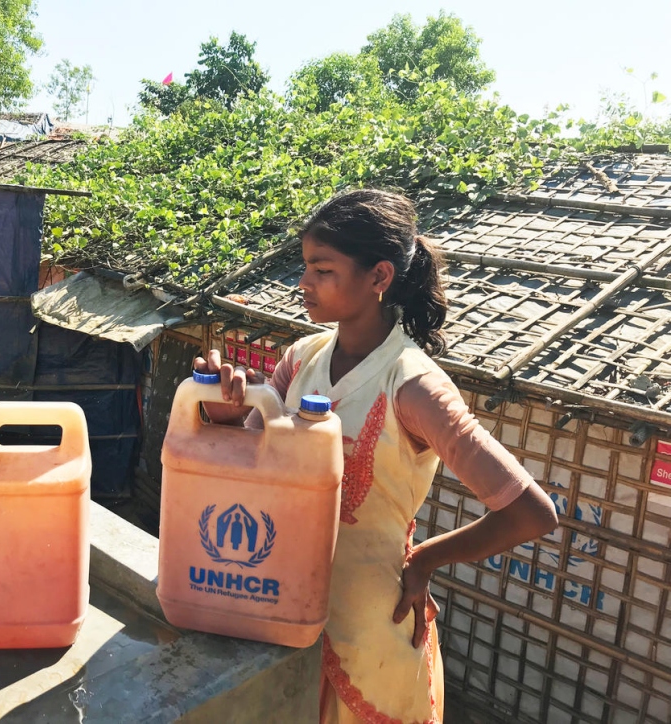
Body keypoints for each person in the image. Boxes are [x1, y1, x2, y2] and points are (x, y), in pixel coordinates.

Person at [193, 188, 558, 724]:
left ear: (379, 277)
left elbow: (530, 513)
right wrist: (224, 417)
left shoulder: (413, 386)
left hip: (366, 629)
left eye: (323, 270)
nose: (304, 283)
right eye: (306, 267)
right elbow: (250, 470)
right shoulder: (301, 360)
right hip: (277, 602)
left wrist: (426, 558)